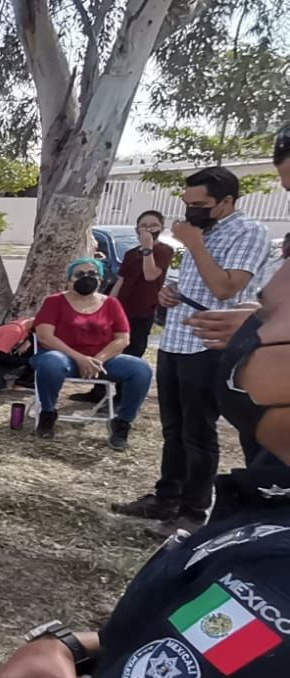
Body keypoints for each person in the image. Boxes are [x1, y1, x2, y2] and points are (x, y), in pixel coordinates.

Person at [0, 275, 290, 678]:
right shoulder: (272, 507)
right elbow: (215, 636)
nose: (238, 333)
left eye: (261, 315)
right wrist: (79, 646)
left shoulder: (273, 586)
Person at [115, 167, 274, 537]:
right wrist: (170, 293)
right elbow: (198, 282)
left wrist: (196, 244)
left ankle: (192, 511)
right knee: (174, 428)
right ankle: (165, 496)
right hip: (175, 339)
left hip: (208, 344)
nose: (191, 211)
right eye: (187, 204)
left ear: (227, 201)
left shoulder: (248, 232)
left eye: (200, 204)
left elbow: (226, 288)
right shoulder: (204, 230)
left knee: (198, 432)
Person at [31, 258, 153, 449]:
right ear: (69, 279)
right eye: (80, 274)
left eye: (92, 274)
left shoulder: (111, 304)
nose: (86, 278)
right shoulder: (54, 302)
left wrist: (97, 360)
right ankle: (47, 413)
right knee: (50, 362)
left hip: (102, 361)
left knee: (141, 369)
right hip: (64, 358)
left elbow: (123, 339)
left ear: (101, 278)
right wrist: (80, 359)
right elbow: (45, 336)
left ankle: (122, 423)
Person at [108, 210, 175, 360]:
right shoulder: (130, 254)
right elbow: (121, 280)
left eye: (153, 226)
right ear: (137, 230)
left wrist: (148, 248)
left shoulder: (164, 250)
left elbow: (150, 274)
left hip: (143, 310)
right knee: (112, 348)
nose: (148, 229)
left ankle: (125, 382)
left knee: (133, 351)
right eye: (144, 226)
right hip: (122, 307)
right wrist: (109, 304)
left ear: (161, 229)